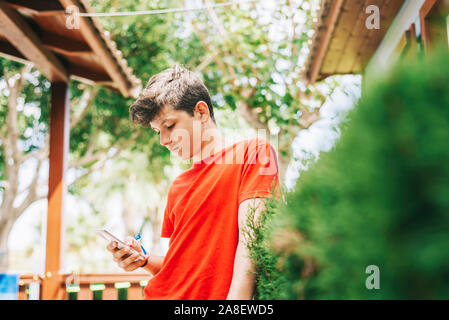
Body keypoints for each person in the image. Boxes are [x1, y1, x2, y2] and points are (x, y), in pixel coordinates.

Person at [106, 65, 280, 300]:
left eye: (169, 126)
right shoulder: (178, 186)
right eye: (158, 132)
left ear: (201, 112)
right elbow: (180, 265)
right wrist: (143, 260)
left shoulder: (253, 153)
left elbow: (252, 241)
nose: (164, 141)